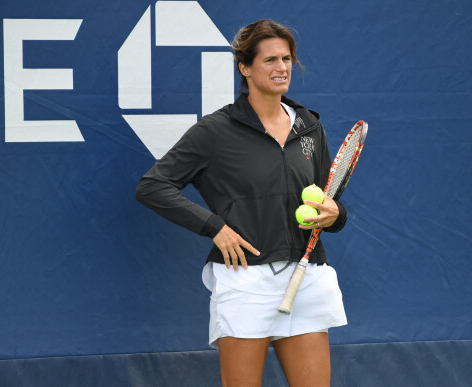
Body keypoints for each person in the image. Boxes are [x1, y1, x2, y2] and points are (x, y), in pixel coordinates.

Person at [136, 19, 348, 387]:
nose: (281, 68)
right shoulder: (215, 131)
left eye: (287, 59)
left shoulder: (310, 126)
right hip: (245, 281)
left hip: (307, 275)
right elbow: (153, 186)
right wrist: (214, 227)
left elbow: (326, 199)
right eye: (269, 60)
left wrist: (335, 215)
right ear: (244, 67)